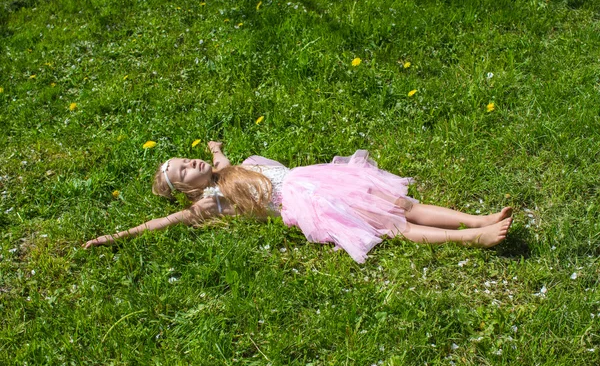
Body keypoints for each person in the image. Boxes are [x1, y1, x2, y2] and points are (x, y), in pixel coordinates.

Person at [83, 141, 513, 263]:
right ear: (188, 190)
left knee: (403, 203)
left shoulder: (222, 169)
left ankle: (479, 218)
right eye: (182, 171)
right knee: (390, 225)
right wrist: (122, 234)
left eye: (184, 158)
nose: (189, 162)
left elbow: (220, 159)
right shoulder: (209, 201)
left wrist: (214, 148)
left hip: (318, 180)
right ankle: (474, 240)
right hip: (306, 202)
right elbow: (169, 222)